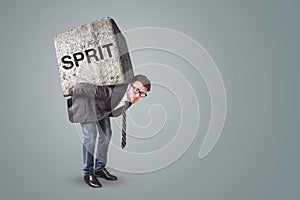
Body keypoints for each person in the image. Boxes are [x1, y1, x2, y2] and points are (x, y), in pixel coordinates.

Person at [67, 74, 151, 188]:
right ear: (129, 86)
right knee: (90, 137)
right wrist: (71, 90)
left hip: (101, 109)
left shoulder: (131, 99)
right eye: (136, 91)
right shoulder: (111, 91)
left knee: (106, 134)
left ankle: (99, 169)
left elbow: (115, 110)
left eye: (142, 94)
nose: (138, 96)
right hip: (86, 105)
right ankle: (88, 173)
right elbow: (84, 87)